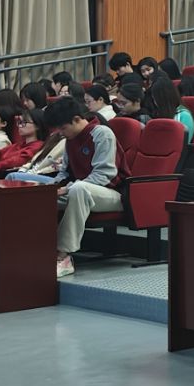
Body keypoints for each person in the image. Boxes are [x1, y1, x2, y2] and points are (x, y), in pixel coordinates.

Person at [43, 97, 120, 280]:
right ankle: (37, 250)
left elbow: (103, 175)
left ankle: (64, 255)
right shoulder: (71, 138)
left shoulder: (102, 134)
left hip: (112, 193)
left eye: (63, 128)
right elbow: (64, 173)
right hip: (80, 190)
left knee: (79, 189)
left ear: (77, 119)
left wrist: (68, 188)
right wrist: (52, 188)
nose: (61, 133)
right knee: (40, 195)